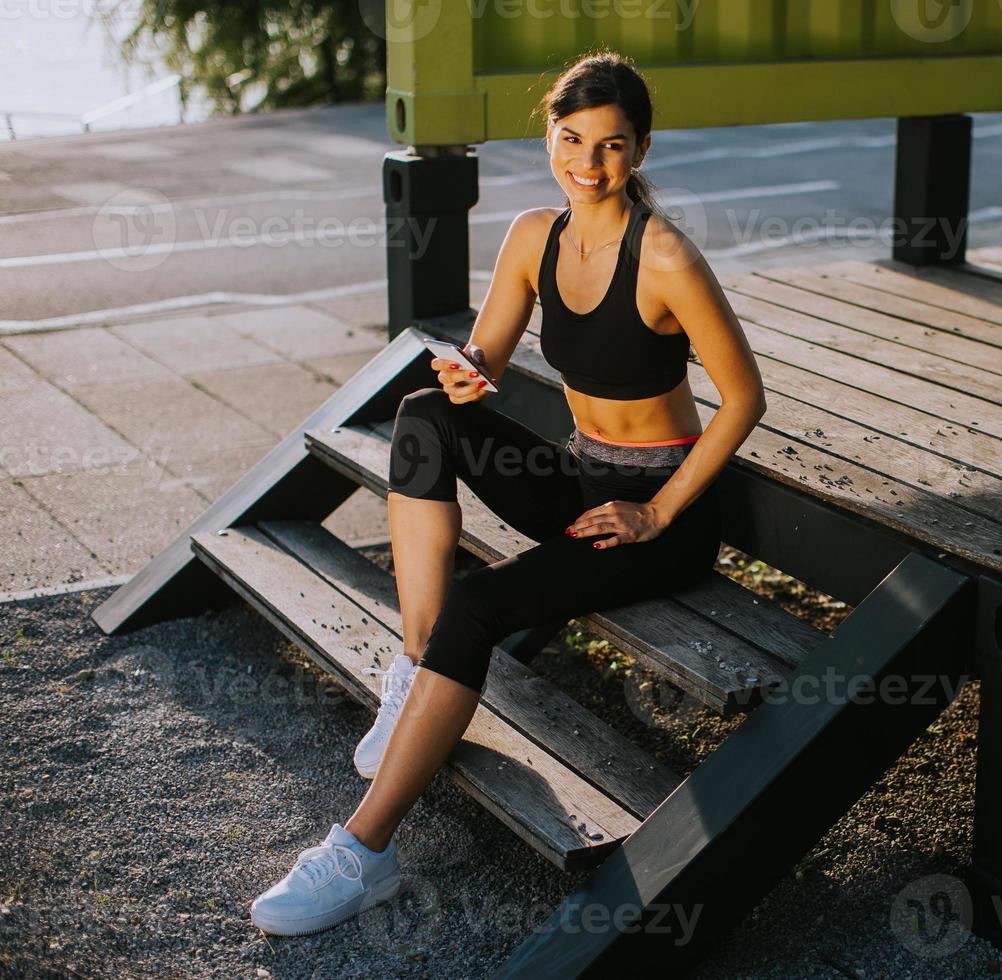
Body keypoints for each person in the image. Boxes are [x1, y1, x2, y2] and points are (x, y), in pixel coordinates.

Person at [248, 48, 767, 936]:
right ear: (551, 136)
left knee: (480, 608)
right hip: (579, 477)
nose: (587, 162)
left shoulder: (666, 256)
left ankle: (362, 853)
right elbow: (486, 349)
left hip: (654, 515)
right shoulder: (536, 235)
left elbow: (746, 396)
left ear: (639, 152)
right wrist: (468, 371)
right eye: (571, 139)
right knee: (420, 414)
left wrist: (660, 510)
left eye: (610, 146)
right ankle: (414, 669)